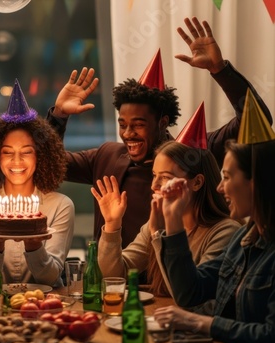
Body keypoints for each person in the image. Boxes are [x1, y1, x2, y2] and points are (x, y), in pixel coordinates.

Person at [46, 17, 272, 247]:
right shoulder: (106, 157)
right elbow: (47, 164)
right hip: (114, 279)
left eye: (138, 124)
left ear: (163, 122)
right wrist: (59, 116)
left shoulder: (196, 153)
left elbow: (258, 120)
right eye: (122, 124)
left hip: (179, 278)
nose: (128, 133)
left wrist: (220, 70)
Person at [152, 138, 275, 343]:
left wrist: (199, 322)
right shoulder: (242, 241)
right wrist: (172, 220)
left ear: (256, 183)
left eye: (226, 177)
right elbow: (189, 293)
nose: (219, 187)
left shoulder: (233, 233)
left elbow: (269, 336)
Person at [95, 141, 241, 298]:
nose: (154, 185)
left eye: (165, 177)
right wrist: (112, 224)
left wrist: (158, 234)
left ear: (197, 182)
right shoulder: (158, 223)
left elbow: (189, 296)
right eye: (154, 175)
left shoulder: (225, 232)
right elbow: (112, 277)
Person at [0, 81, 74, 287]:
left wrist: (34, 244)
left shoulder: (61, 205)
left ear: (40, 155)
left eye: (26, 152)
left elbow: (50, 277)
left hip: (45, 307)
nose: (16, 161)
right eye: (7, 152)